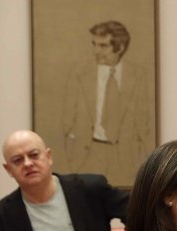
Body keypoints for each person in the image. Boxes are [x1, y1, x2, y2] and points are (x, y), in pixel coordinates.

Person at [0, 130, 127, 231]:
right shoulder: (3, 213)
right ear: (8, 169)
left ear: (48, 157)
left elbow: (138, 211)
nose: (27, 164)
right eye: (18, 160)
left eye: (34, 155)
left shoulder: (91, 189)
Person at [62, 20, 153, 186]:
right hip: (87, 155)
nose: (96, 51)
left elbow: (143, 124)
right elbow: (67, 119)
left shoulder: (138, 75)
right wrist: (71, 156)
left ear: (120, 48)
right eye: (94, 44)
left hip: (126, 159)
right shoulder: (79, 72)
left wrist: (141, 161)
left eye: (103, 46)